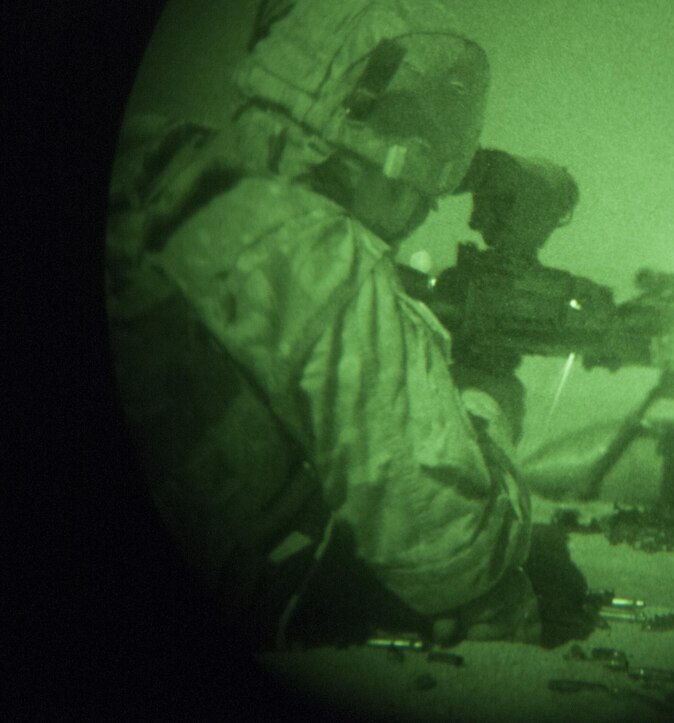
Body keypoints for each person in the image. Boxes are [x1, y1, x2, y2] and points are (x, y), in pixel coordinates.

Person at [106, 0, 545, 649]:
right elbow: (457, 554)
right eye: (415, 140)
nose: (426, 203)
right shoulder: (325, 258)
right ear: (372, 131)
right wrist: (486, 396)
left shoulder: (160, 165)